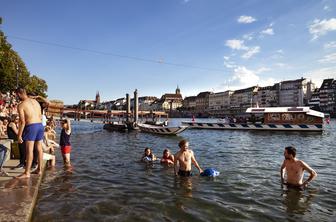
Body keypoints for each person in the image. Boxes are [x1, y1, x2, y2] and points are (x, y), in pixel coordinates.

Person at [15, 88, 44, 179]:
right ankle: (39, 169)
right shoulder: (35, 102)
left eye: (16, 95)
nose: (16, 97)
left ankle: (27, 173)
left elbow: (22, 122)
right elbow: (40, 115)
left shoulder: (21, 105)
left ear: (19, 94)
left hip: (31, 127)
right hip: (40, 126)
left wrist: (19, 135)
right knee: (39, 148)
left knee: (29, 150)